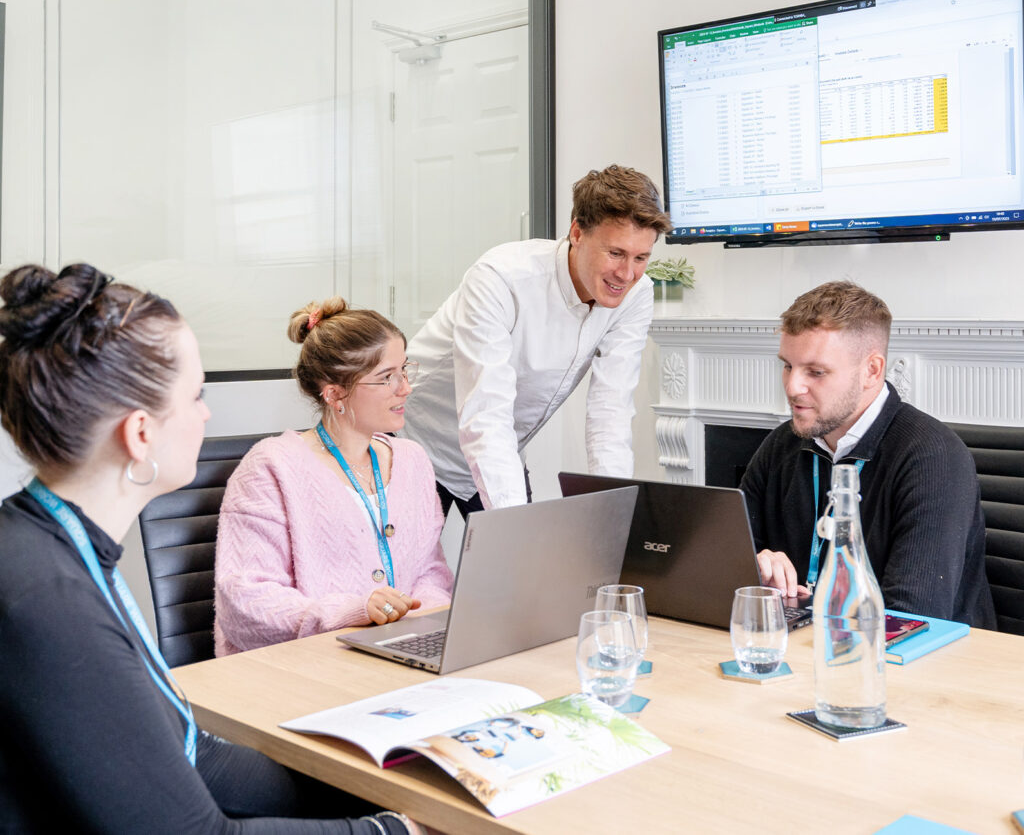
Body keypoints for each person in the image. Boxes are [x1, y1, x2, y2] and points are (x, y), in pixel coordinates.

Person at [0, 263, 423, 834]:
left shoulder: (58, 550)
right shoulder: (47, 601)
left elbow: (191, 750)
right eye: (196, 396)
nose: (207, 413)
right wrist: (394, 831)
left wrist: (358, 798)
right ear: (140, 433)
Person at [403, 164, 672, 515]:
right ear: (577, 232)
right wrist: (514, 526)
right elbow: (486, 413)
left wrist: (615, 516)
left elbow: (611, 409)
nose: (627, 274)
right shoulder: (502, 278)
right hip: (418, 443)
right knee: (409, 568)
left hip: (503, 450)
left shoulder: (636, 295)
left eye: (641, 258)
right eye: (616, 253)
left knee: (517, 569)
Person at [741, 280, 995, 627]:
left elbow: (911, 617)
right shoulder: (782, 444)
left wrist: (804, 608)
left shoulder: (934, 457)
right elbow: (727, 559)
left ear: (871, 371)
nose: (792, 386)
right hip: (808, 647)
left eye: (815, 372)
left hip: (927, 665)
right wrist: (756, 565)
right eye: (787, 365)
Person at [214, 298, 453, 655]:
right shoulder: (270, 467)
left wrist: (420, 618)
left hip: (400, 653)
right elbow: (245, 600)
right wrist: (350, 614)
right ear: (335, 393)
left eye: (404, 370)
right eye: (387, 377)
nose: (406, 388)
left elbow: (431, 572)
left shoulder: (412, 460)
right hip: (306, 664)